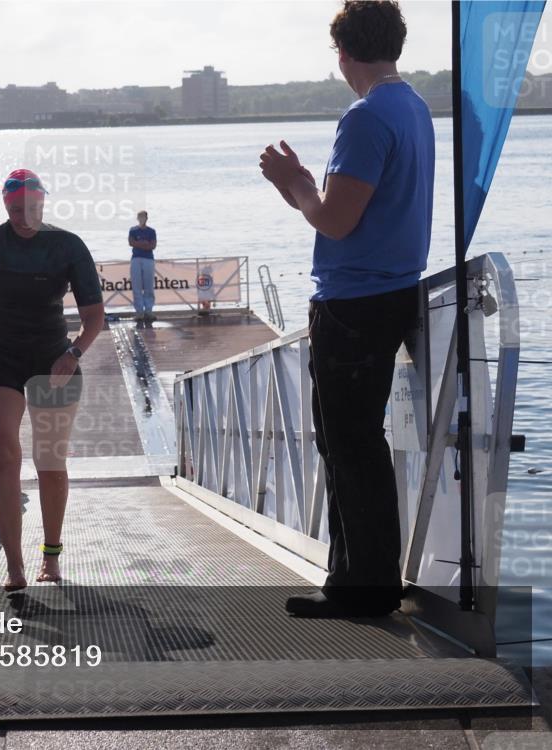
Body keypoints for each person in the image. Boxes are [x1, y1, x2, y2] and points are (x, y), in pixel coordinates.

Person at [259, 0, 434, 618]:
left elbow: (335, 221)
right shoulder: (413, 107)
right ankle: (373, 576)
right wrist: (303, 189)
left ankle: (362, 587)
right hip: (392, 291)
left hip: (353, 303)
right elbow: (352, 211)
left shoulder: (366, 117)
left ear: (344, 53)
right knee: (360, 441)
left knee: (348, 444)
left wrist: (295, 182)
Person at [0, 169, 106, 592]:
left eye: (31, 208)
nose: (23, 217)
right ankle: (14, 566)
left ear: (43, 203)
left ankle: (51, 556)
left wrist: (73, 354)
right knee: (5, 455)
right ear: (5, 206)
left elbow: (94, 317)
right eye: (15, 210)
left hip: (54, 360)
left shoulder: (67, 246)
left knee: (50, 462)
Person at [128, 210, 157, 322]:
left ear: (146, 218)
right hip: (136, 259)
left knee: (149, 286)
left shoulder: (151, 231)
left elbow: (152, 245)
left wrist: (139, 244)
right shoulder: (133, 230)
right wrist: (144, 244)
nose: (141, 219)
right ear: (137, 218)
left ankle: (148, 311)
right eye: (140, 217)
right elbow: (131, 242)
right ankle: (139, 312)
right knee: (136, 286)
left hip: (148, 259)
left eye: (143, 217)